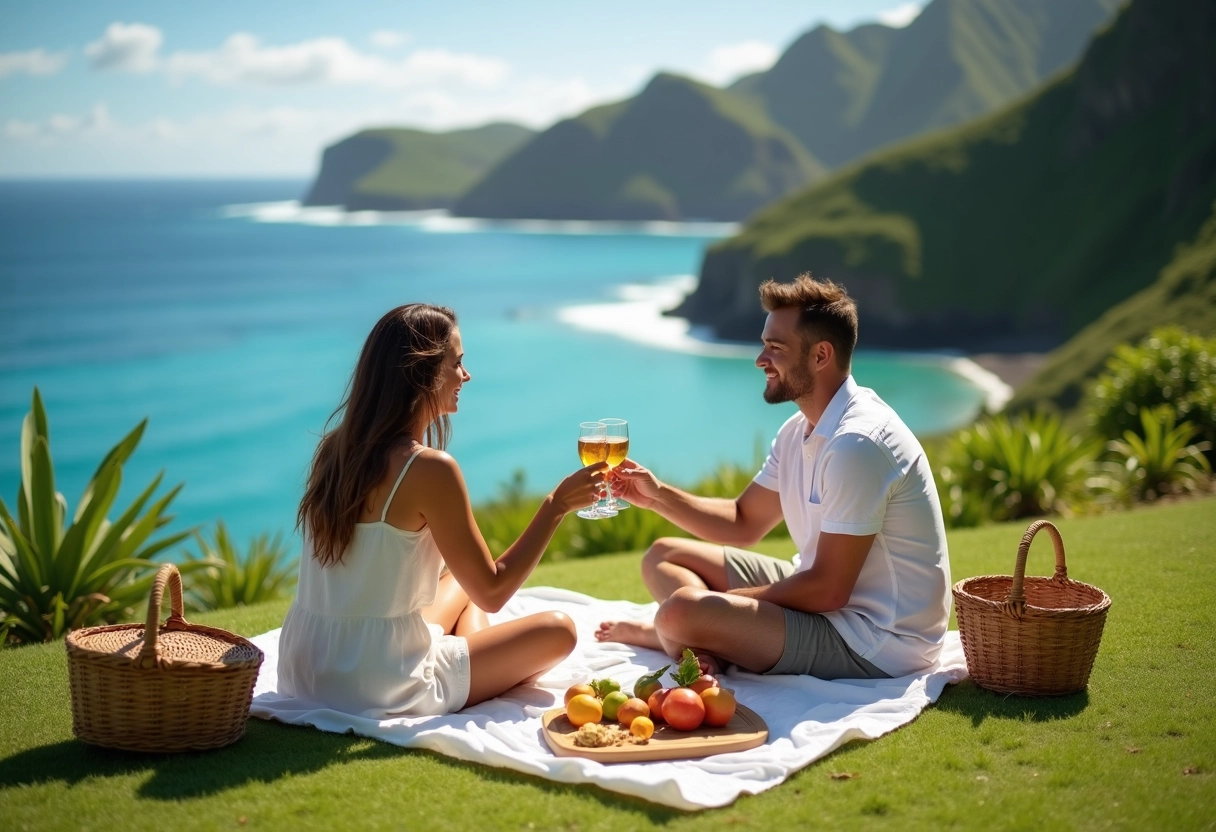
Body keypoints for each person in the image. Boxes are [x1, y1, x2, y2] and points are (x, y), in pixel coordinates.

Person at [595, 275, 951, 680]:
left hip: (876, 640)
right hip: (821, 594)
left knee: (681, 610)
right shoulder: (798, 431)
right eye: (764, 344)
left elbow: (828, 590)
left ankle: (679, 634)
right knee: (662, 556)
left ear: (820, 356)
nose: (760, 359)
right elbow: (743, 521)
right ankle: (698, 637)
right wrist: (657, 496)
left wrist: (722, 606)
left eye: (775, 348)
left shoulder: (858, 444)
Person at [278, 303, 607, 716]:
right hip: (381, 681)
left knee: (457, 583)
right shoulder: (429, 468)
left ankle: (472, 658)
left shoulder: (333, 450)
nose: (465, 376)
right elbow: (492, 592)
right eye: (457, 363)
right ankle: (476, 665)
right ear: (424, 373)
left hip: (306, 667)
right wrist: (556, 506)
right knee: (559, 629)